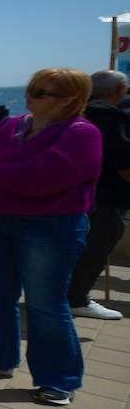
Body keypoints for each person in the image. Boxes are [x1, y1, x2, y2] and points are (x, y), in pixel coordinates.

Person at [0, 68, 100, 406]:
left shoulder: (82, 134)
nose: (30, 95)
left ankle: (58, 378)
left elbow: (44, 177)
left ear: (68, 99)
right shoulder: (11, 125)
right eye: (31, 89)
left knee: (45, 303)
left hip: (50, 226)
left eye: (41, 92)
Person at [66, 70, 130, 320]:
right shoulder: (109, 117)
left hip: (76, 194)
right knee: (95, 247)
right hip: (105, 196)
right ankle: (76, 298)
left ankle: (67, 294)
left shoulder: (73, 113)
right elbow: (122, 159)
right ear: (121, 89)